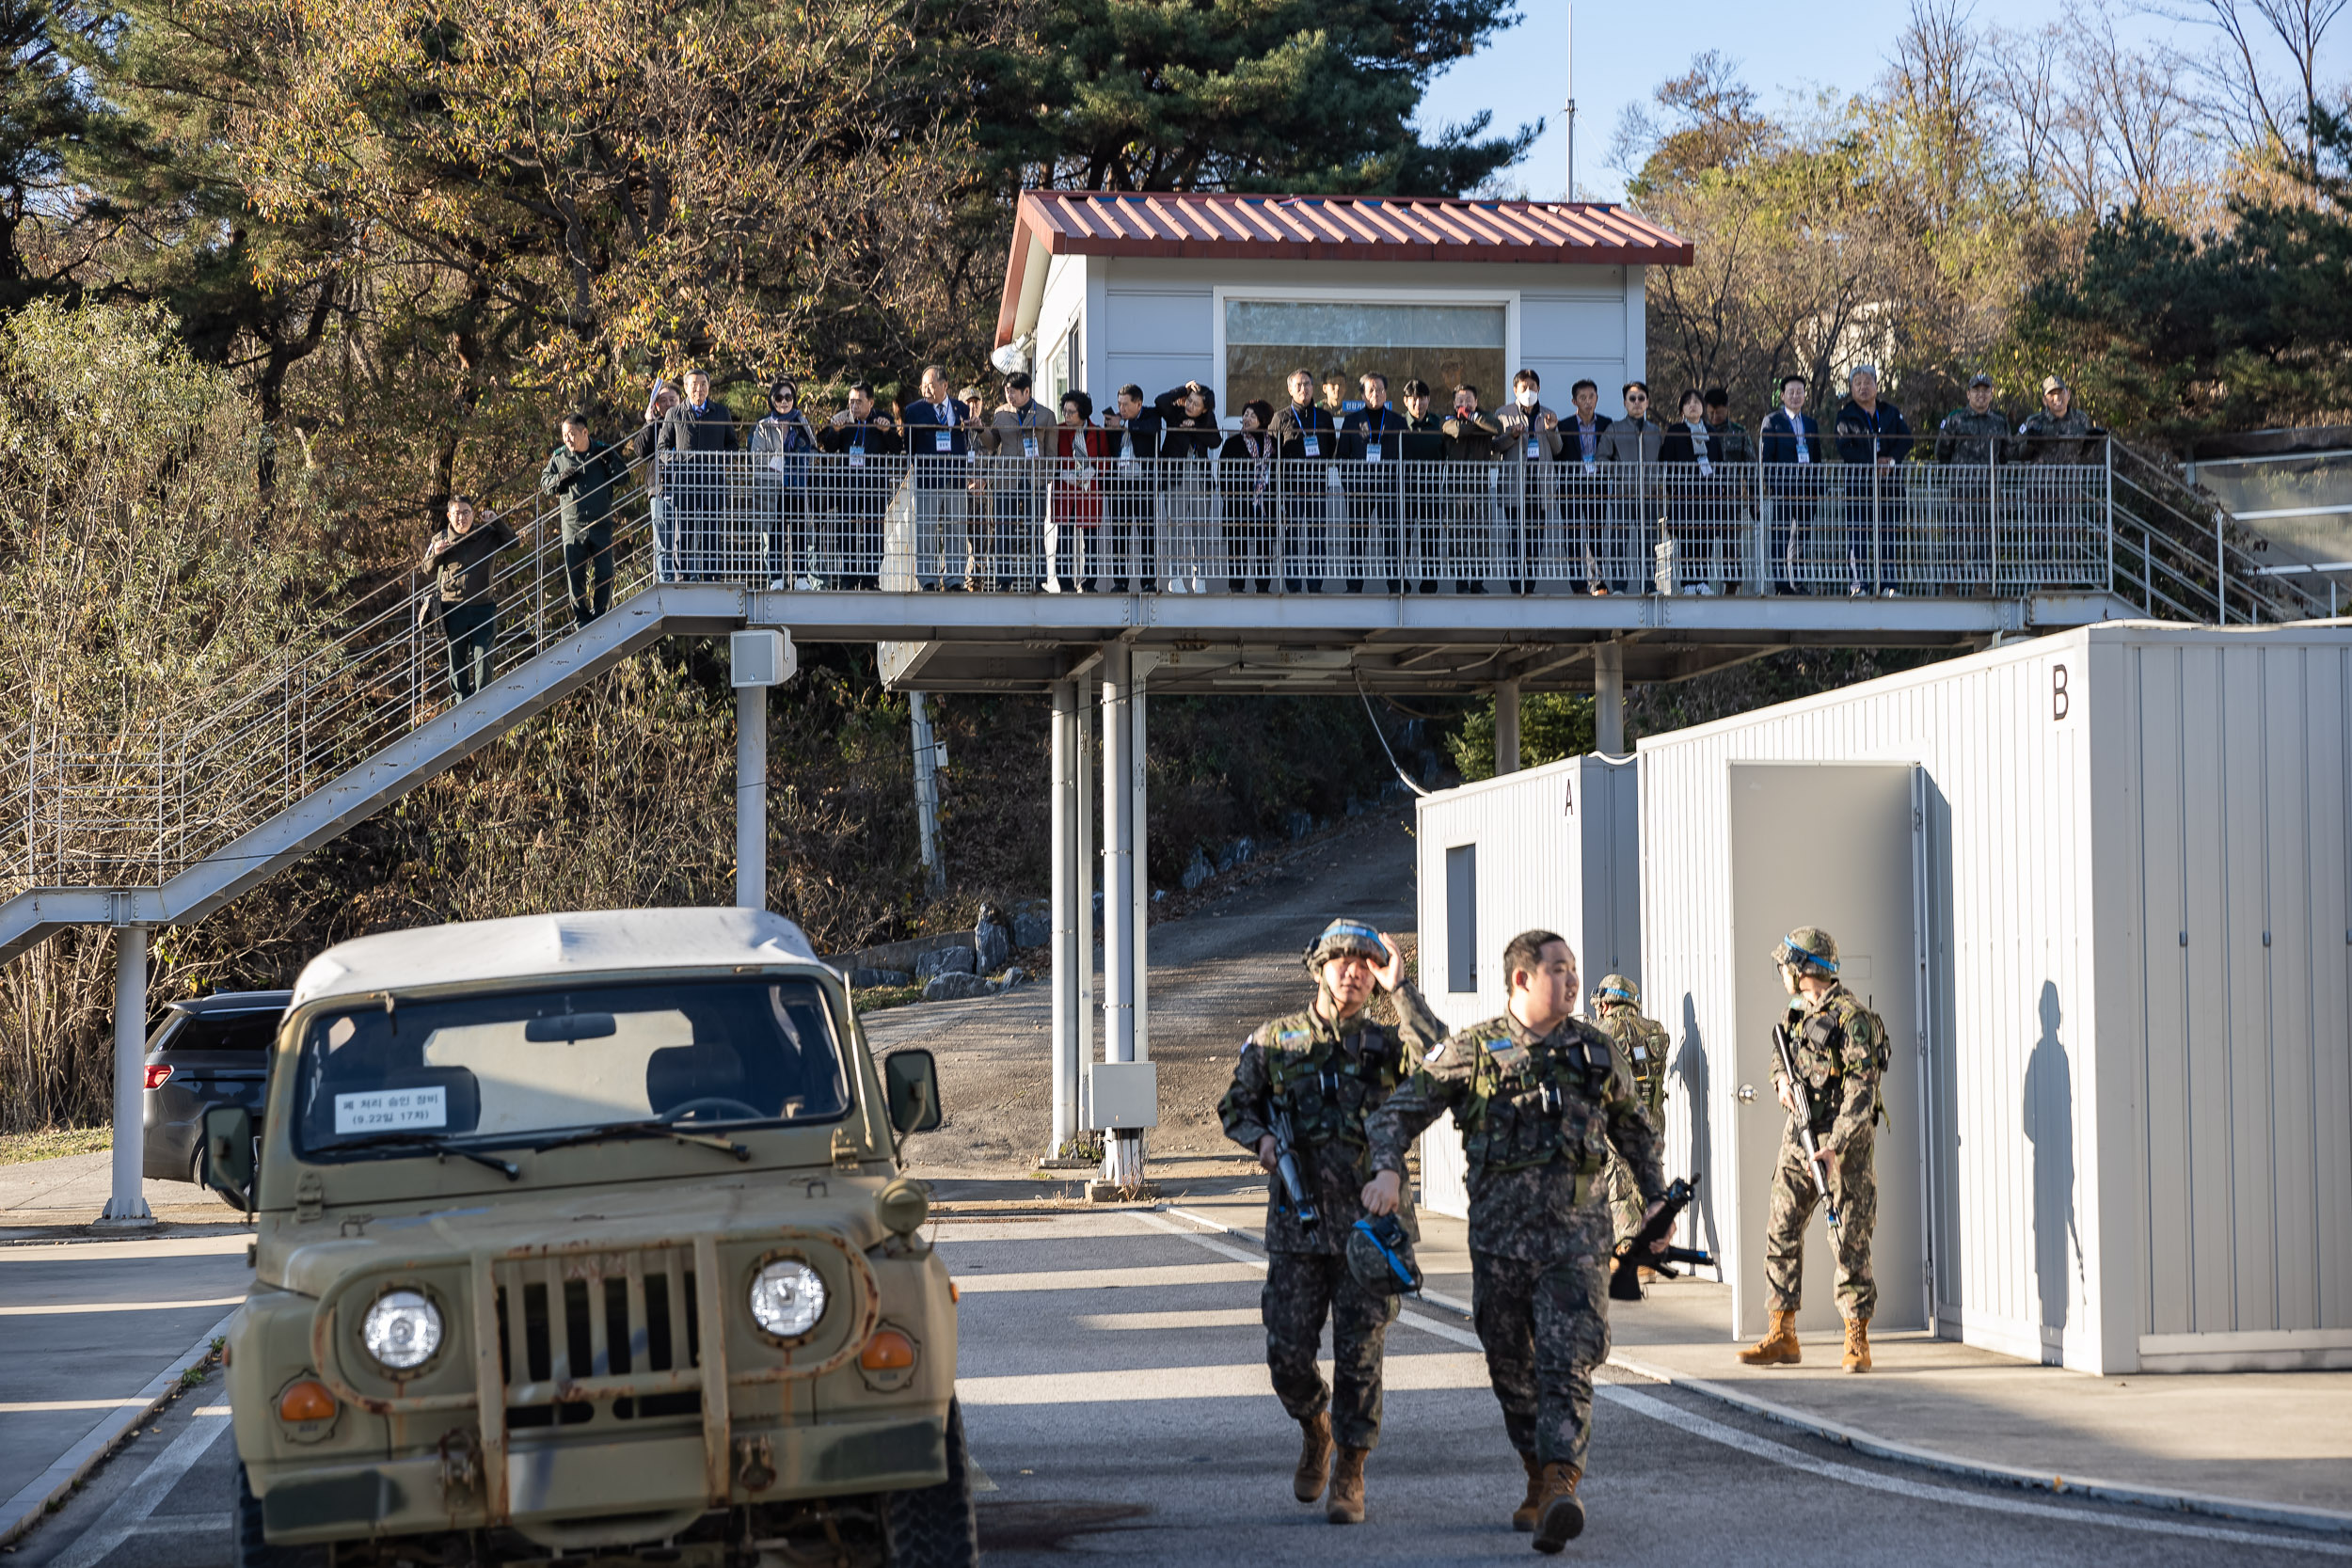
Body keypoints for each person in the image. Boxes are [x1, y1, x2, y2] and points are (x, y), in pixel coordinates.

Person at [1362, 930, 1665, 1552]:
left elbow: (1636, 1131)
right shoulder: (1475, 1051)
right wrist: (1389, 1167)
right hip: (1500, 1245)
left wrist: (1656, 1202)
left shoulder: (1597, 1051)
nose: (1572, 980)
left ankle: (1560, 1481)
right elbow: (1395, 1113)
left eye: (1574, 968)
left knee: (1567, 1359)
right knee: (1510, 1364)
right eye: (1558, 969)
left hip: (1577, 1243)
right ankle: (1537, 1468)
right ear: (1521, 979)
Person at [1217, 921, 1442, 1527]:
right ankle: (1317, 1429)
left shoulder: (1387, 1046)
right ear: (1318, 968)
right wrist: (1261, 1138)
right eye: (1342, 960)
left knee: (1360, 1357)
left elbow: (1446, 1065)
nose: (1354, 971)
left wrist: (1404, 992)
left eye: (1366, 963)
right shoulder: (1276, 1041)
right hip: (1299, 1227)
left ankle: (1350, 1472)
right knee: (1286, 1354)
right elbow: (1234, 1104)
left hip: (1370, 1230)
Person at [1739, 927, 1888, 1375]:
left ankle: (1856, 1338)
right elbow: (1779, 1058)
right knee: (1780, 1228)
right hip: (1798, 1136)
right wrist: (1780, 1082)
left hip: (1842, 1145)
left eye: (1787, 964)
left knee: (1848, 1237)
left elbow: (1863, 1090)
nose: (1782, 972)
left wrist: (1835, 1147)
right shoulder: (1796, 1013)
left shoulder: (1852, 1017)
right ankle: (1782, 1334)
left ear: (1804, 969)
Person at [1587, 974, 1671, 1254]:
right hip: (1652, 1121)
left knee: (1619, 1183)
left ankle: (1631, 1252)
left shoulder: (1599, 1032)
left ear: (1607, 1003)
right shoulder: (1655, 1030)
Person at [421, 495, 527, 701]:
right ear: (449, 516)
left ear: (473, 514)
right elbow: (426, 568)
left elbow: (514, 543)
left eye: (466, 512)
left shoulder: (487, 534)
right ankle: (462, 701)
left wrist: (496, 520)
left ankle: (482, 699)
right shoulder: (440, 539)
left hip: (483, 607)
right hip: (453, 608)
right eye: (457, 514)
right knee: (457, 660)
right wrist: (436, 553)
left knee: (483, 655)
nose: (462, 518)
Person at [1833, 367, 1913, 597]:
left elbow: (1906, 439)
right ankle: (1859, 586)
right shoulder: (1845, 415)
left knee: (1887, 535)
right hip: (1859, 487)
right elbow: (1844, 447)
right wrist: (1873, 462)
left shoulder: (1890, 411)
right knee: (1857, 536)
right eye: (1857, 383)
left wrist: (1891, 461)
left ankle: (1889, 586)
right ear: (1850, 388)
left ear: (1876, 385)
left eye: (1867, 382)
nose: (1862, 387)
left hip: (1890, 486)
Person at [815, 382, 898, 589]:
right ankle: (849, 579)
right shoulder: (843, 419)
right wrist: (834, 431)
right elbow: (830, 448)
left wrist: (887, 431)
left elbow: (897, 448)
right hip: (848, 486)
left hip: (874, 486)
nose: (854, 406)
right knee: (847, 532)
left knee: (873, 533)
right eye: (851, 401)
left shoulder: (883, 419)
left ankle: (871, 579)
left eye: (859, 402)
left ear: (870, 402)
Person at [539, 413, 621, 626]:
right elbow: (544, 485)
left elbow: (624, 477)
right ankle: (581, 619)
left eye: (572, 434)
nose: (568, 440)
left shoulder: (602, 450)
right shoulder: (559, 457)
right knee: (575, 576)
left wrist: (610, 461)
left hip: (600, 524)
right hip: (573, 525)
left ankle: (600, 613)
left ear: (585, 432)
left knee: (605, 571)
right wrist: (560, 479)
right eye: (565, 436)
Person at [657, 370, 739, 580]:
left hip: (713, 482)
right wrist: (680, 462)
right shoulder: (675, 414)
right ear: (685, 388)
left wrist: (721, 461)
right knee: (683, 533)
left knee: (712, 533)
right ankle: (682, 577)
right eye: (693, 384)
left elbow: (732, 445)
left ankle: (712, 577)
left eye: (703, 384)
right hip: (684, 482)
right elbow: (662, 447)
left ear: (708, 387)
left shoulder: (721, 412)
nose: (698, 389)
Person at [2016, 374, 2099, 577]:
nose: (2057, 398)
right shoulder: (2034, 421)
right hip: (2039, 489)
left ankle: (2064, 581)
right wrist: (2030, 441)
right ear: (2045, 400)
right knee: (2040, 537)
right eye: (2051, 395)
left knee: (2067, 536)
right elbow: (2015, 452)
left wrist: (2093, 441)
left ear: (2068, 394)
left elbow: (2083, 454)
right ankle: (2043, 581)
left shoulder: (2081, 419)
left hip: (2069, 488)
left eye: (2060, 393)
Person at [900, 365, 973, 590]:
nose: (926, 390)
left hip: (956, 478)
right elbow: (909, 445)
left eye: (930, 386)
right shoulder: (914, 410)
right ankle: (928, 579)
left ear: (944, 385)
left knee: (957, 529)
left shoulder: (961, 408)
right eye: (923, 386)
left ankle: (955, 579)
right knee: (926, 530)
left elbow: (967, 441)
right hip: (928, 478)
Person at [1934, 373, 2009, 594]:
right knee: (1955, 539)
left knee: (1986, 539)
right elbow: (1942, 452)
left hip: (1989, 490)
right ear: (1968, 394)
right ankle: (1949, 588)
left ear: (1992, 394)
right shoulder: (1956, 419)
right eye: (1976, 390)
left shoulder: (1999, 421)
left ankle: (1982, 587)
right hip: (1960, 490)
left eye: (1985, 390)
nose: (1981, 394)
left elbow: (2007, 453)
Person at [1270, 369, 1339, 593]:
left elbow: (1330, 449)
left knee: (1317, 537)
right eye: (1298, 385)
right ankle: (1293, 585)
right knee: (1292, 536)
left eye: (1307, 384)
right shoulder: (1281, 417)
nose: (1303, 389)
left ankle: (1315, 584)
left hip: (1317, 486)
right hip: (1291, 488)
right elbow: (1272, 453)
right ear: (1290, 389)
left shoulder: (1325, 416)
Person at [987, 372, 1057, 593]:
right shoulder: (1000, 413)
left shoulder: (1045, 415)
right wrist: (980, 430)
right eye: (1007, 391)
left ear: (1027, 391)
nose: (1009, 396)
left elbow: (1051, 453)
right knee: (1002, 529)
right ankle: (1004, 580)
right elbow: (992, 443)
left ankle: (1038, 579)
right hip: (1006, 479)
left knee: (1035, 529)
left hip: (1033, 480)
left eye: (1013, 391)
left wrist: (1043, 478)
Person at [1340, 372, 1407, 593]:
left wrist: (1400, 485)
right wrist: (1350, 486)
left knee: (1392, 537)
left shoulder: (1397, 420)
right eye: (1370, 390)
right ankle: (1354, 584)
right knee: (1357, 538)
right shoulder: (1351, 420)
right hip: (1360, 489)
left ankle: (1395, 583)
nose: (1375, 394)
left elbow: (1406, 455)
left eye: (1379, 389)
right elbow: (1342, 457)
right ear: (1362, 394)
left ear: (1386, 393)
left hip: (1389, 489)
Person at [1496, 371, 1562, 594]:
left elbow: (1558, 448)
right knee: (1516, 537)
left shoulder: (1549, 414)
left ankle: (1530, 585)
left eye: (1533, 387)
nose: (1529, 392)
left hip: (1539, 487)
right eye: (1524, 388)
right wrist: (1511, 436)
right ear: (1515, 390)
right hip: (1514, 487)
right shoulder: (1503, 414)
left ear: (1539, 389)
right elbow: (1494, 447)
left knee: (1535, 539)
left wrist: (1552, 430)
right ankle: (1516, 586)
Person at [1758, 374, 1824, 594]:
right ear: (1782, 395)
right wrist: (1773, 486)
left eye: (1800, 392)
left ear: (1805, 396)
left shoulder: (1811, 423)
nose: (1796, 396)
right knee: (1780, 537)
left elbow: (1816, 457)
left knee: (1801, 538)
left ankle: (1798, 582)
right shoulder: (1772, 421)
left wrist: (1818, 489)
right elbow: (1766, 458)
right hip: (1783, 490)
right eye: (1791, 392)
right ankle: (1781, 584)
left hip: (1807, 491)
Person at [749, 380, 818, 591]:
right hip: (772, 486)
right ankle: (776, 578)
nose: (784, 401)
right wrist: (776, 461)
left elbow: (813, 449)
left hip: (797, 485)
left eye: (788, 397)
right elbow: (756, 456)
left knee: (799, 533)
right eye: (779, 397)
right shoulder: (763, 426)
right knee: (774, 533)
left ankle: (801, 578)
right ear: (772, 400)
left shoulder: (802, 422)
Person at [1154, 381, 1222, 592]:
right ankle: (1175, 576)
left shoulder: (1207, 419)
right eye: (1190, 401)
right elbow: (1160, 401)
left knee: (1200, 529)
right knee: (1175, 528)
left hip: (1200, 481)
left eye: (1196, 404)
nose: (1190, 406)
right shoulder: (1175, 413)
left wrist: (1196, 427)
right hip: (1176, 478)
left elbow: (1215, 441)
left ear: (1205, 408)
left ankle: (1199, 575)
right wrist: (1183, 389)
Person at [1596, 385, 1662, 595]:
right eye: (1631, 398)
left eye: (1641, 398)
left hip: (1650, 495)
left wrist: (1658, 482)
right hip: (1622, 494)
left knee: (1650, 543)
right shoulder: (1615, 428)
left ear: (1647, 402)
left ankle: (1650, 586)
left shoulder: (1655, 431)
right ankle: (1619, 586)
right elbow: (1601, 459)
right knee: (1618, 542)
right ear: (1625, 403)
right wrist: (1621, 471)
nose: (1636, 402)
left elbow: (1663, 461)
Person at [1660, 388, 1724, 595]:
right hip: (1684, 495)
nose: (1693, 405)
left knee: (1705, 540)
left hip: (1708, 496)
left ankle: (1703, 581)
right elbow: (1665, 462)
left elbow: (1720, 462)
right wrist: (1674, 488)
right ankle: (1688, 583)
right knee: (1687, 540)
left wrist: (1720, 487)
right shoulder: (1675, 431)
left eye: (1696, 401)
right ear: (1681, 409)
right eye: (1688, 402)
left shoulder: (1712, 433)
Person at [1440, 385, 1502, 594]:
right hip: (1454, 490)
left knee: (1481, 536)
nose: (1464, 404)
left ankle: (1477, 581)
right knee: (1455, 536)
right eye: (1460, 401)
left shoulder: (1486, 417)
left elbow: (1497, 429)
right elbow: (1457, 429)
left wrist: (1472, 417)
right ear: (1453, 403)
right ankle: (1461, 582)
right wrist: (1476, 424)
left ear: (1476, 402)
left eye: (1469, 400)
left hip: (1480, 489)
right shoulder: (1447, 418)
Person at [1556, 380, 1613, 595]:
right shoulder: (1564, 425)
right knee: (1571, 535)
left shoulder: (1607, 424)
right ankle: (1577, 584)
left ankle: (1597, 582)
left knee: (1595, 534)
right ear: (1574, 401)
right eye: (1582, 398)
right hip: (1570, 487)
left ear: (1597, 398)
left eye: (1591, 396)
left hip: (1597, 486)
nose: (1588, 402)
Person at [1218, 399, 1279, 594]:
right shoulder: (1233, 443)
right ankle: (1236, 587)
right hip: (1239, 504)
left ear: (1263, 419)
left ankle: (1263, 587)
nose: (1247, 418)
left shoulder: (1274, 444)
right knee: (1237, 547)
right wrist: (1233, 495)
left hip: (1265, 504)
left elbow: (1280, 474)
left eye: (1252, 415)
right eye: (1245, 414)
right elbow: (1223, 475)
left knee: (1264, 547)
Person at [1045, 390, 1103, 593]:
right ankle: (1065, 582)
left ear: (1083, 413)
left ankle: (1089, 582)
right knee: (1065, 539)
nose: (1067, 416)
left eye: (1071, 412)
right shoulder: (1059, 430)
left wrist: (1093, 470)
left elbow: (1106, 459)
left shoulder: (1097, 431)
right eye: (1065, 411)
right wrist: (1062, 473)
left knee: (1091, 540)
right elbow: (1051, 457)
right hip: (1066, 491)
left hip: (1089, 492)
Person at [1397, 380, 1449, 594]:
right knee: (1402, 538)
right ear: (1406, 401)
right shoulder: (1399, 424)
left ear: (1429, 399)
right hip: (1404, 492)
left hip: (1431, 491)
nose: (1418, 403)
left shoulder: (1439, 424)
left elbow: (1446, 455)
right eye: (1414, 399)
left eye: (1423, 398)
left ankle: (1429, 582)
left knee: (1430, 538)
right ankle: (1402, 581)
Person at [1703, 388, 1756, 593]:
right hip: (1704, 497)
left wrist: (1753, 499)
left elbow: (1750, 468)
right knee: (1701, 541)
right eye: (1711, 412)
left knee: (1732, 543)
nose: (1715, 416)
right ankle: (1700, 582)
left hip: (1731, 498)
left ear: (1727, 409)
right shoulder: (1700, 431)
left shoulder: (1738, 432)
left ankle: (1732, 586)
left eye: (1719, 412)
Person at [633, 380, 681, 578]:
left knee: (686, 539)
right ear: (656, 405)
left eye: (673, 399)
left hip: (686, 487)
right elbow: (640, 451)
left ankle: (687, 578)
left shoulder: (687, 421)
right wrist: (649, 422)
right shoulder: (655, 425)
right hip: (660, 488)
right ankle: (666, 581)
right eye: (663, 400)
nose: (669, 403)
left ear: (680, 401)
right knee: (663, 540)